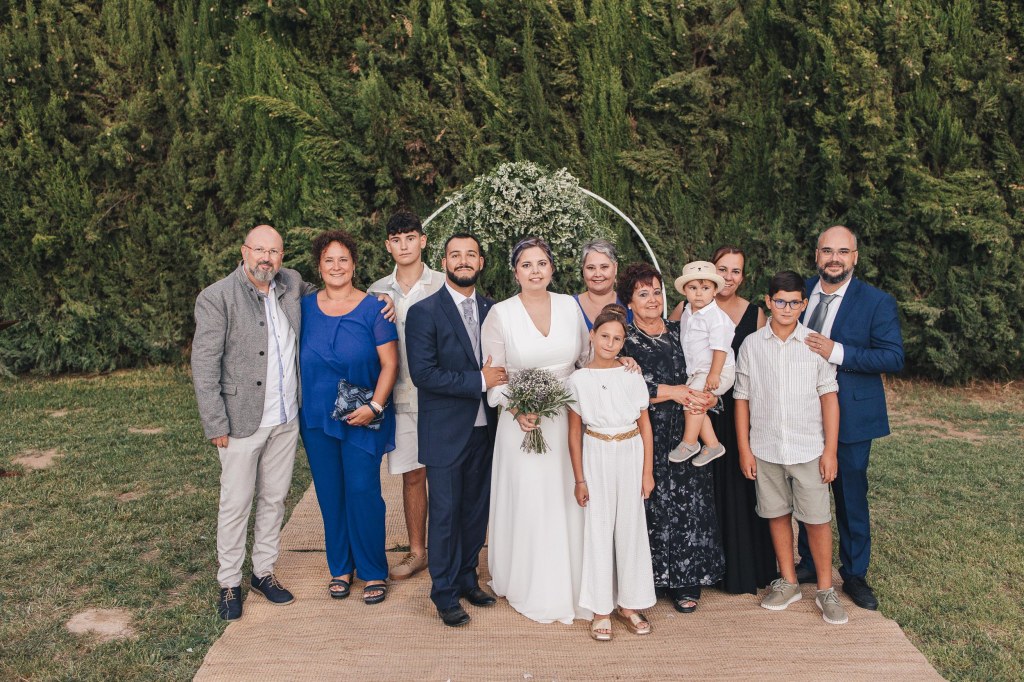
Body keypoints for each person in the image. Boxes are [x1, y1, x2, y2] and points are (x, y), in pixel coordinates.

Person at [191, 224, 314, 621]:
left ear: (282, 256)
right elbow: (204, 364)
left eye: (274, 251)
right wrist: (215, 423)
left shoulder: (291, 283)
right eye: (259, 250)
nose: (266, 258)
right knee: (236, 502)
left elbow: (332, 293)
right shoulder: (217, 297)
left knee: (274, 498)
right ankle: (229, 583)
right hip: (239, 420)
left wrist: (377, 298)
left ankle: (263, 572)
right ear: (244, 252)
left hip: (285, 417)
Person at [482, 235, 593, 624]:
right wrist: (517, 410)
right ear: (515, 272)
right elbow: (494, 378)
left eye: (541, 263)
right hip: (521, 423)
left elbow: (587, 360)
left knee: (567, 496)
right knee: (531, 498)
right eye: (526, 265)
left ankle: (574, 580)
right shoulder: (500, 314)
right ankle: (531, 582)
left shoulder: (570, 307)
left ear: (552, 268)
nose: (534, 271)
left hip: (566, 420)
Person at [795, 225, 905, 611]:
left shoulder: (876, 302)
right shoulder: (799, 292)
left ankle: (855, 573)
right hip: (801, 410)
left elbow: (893, 356)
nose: (834, 259)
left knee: (850, 494)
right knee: (806, 488)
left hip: (852, 414)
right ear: (817, 254)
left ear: (855, 257)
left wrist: (836, 351)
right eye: (827, 251)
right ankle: (810, 562)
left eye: (843, 252)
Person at [734, 270, 848, 625]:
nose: (786, 308)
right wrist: (744, 449)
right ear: (768, 302)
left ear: (803, 304)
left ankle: (826, 589)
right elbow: (742, 399)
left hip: (808, 448)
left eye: (794, 302)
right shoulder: (752, 345)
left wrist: (830, 451)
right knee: (777, 514)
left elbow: (829, 398)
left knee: (816, 519)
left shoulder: (815, 344)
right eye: (780, 301)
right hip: (766, 448)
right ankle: (789, 581)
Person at [405, 232, 505, 627]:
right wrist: (480, 380)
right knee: (445, 515)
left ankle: (467, 578)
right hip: (445, 432)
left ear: (481, 262)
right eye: (455, 255)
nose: (463, 260)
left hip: (487, 429)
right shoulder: (424, 312)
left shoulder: (494, 310)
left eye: (471, 254)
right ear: (444, 261)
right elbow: (424, 374)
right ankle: (443, 593)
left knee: (475, 512)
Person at [298, 230, 399, 605]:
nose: (336, 266)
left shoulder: (375, 308)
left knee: (362, 491)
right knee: (330, 493)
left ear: (354, 265)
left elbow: (390, 364)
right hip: (317, 416)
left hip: (363, 414)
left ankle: (373, 570)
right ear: (319, 266)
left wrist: (376, 406)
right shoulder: (302, 308)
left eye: (343, 259)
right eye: (329, 260)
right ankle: (340, 567)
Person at [617, 263, 723, 614]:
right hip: (646, 431)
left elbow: (707, 366)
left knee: (690, 503)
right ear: (629, 302)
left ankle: (685, 580)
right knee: (649, 502)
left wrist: (710, 397)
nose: (652, 299)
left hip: (687, 430)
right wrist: (673, 391)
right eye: (643, 294)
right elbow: (622, 386)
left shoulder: (683, 330)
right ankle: (647, 579)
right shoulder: (624, 340)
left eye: (656, 292)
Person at [567, 304, 656, 641]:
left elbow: (645, 426)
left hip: (630, 451)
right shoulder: (578, 380)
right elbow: (574, 433)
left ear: (623, 342)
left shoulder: (631, 374)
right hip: (597, 452)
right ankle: (601, 608)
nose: (610, 343)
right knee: (599, 528)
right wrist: (580, 479)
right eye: (604, 336)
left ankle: (629, 605)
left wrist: (647, 472)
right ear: (592, 335)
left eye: (617, 339)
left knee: (631, 528)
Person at [367, 211, 446, 581]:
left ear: (423, 241)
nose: (404, 245)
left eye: (410, 238)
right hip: (401, 398)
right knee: (413, 476)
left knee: (446, 477)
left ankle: (449, 550)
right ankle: (417, 552)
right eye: (396, 240)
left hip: (442, 397)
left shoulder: (444, 284)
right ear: (388, 246)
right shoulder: (376, 292)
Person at [699, 246, 775, 595]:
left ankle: (743, 568)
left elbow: (762, 366)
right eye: (722, 269)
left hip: (740, 409)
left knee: (740, 485)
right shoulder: (690, 305)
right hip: (701, 410)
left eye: (735, 271)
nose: (728, 277)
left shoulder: (755, 313)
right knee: (705, 487)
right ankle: (703, 568)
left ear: (743, 277)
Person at [669, 261, 736, 465]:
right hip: (699, 371)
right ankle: (713, 444)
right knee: (697, 404)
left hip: (718, 370)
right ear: (685, 290)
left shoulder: (717, 318)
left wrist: (714, 374)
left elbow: (720, 348)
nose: (699, 293)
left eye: (705, 288)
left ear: (715, 291)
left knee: (692, 401)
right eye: (693, 288)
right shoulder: (687, 312)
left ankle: (689, 442)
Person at [573, 239, 633, 330]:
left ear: (615, 268)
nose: (597, 274)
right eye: (591, 268)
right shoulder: (570, 305)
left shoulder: (629, 306)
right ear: (583, 270)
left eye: (604, 267)